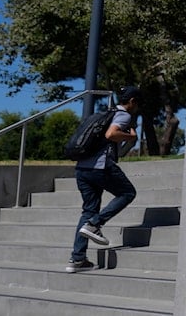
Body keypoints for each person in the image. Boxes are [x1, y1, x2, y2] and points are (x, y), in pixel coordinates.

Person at [65, 86, 142, 273]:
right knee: (127, 193)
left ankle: (77, 259)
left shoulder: (105, 113)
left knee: (88, 210)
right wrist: (131, 136)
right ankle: (95, 224)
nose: (138, 107)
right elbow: (111, 134)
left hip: (82, 168)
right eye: (138, 103)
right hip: (100, 167)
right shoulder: (123, 116)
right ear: (132, 101)